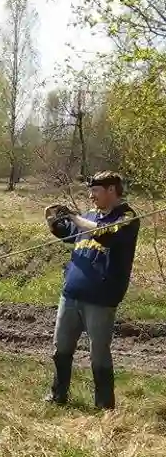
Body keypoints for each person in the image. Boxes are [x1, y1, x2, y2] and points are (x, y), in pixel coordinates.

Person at [43, 171, 140, 410]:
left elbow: (105, 235)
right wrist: (51, 218)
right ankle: (58, 396)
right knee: (61, 349)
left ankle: (104, 406)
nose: (91, 196)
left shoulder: (127, 217)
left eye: (95, 191)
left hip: (101, 299)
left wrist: (75, 217)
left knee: (99, 355)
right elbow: (66, 232)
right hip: (71, 296)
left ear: (111, 191)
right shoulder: (89, 216)